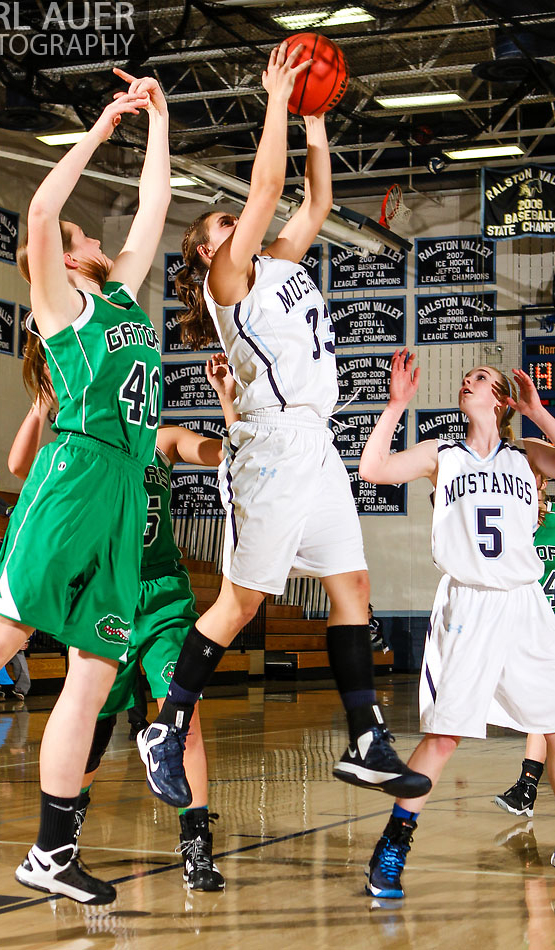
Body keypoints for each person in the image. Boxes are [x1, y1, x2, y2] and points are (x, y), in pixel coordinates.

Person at [136, 40, 430, 812]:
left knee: (353, 586)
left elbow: (317, 203)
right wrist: (273, 96)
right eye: (223, 224)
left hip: (316, 442)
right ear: (207, 252)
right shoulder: (229, 280)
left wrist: (314, 121)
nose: (240, 222)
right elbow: (265, 186)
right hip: (267, 445)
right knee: (240, 604)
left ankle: (366, 738)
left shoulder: (280, 262)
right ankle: (168, 726)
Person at [0, 68, 170, 906]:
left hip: (128, 486)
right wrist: (102, 126)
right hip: (76, 474)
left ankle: (53, 852)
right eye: (78, 232)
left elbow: (154, 207)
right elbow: (37, 214)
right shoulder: (63, 304)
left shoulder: (122, 296)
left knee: (98, 664)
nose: (92, 234)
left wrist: (159, 121)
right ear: (64, 260)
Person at [9, 355, 237, 891]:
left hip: (161, 594)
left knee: (184, 715)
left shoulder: (164, 440)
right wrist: (44, 396)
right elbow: (21, 464)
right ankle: (63, 834)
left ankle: (197, 847)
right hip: (104, 592)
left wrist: (228, 398)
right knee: (93, 723)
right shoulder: (89, 440)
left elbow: (231, 455)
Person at [359, 351, 555, 899]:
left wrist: (539, 412)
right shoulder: (440, 453)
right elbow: (372, 470)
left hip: (524, 603)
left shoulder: (527, 454)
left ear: (500, 399)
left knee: (553, 722)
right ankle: (393, 846)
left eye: (482, 379)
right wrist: (396, 406)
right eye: (466, 378)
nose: (469, 381)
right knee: (445, 735)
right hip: (467, 604)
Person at [494, 477, 553, 819]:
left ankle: (527, 787)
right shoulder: (513, 527)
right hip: (536, 629)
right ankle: (527, 786)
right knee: (541, 710)